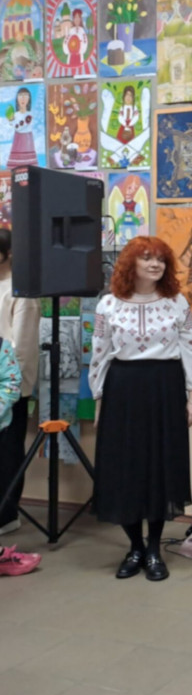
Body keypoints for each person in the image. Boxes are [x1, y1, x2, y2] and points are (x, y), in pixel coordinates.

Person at [89, 237, 192, 582]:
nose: (155, 265)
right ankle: (135, 547)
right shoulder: (107, 305)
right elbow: (99, 355)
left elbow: (191, 351)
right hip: (121, 390)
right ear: (131, 264)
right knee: (123, 467)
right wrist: (98, 402)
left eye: (160, 260)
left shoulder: (176, 303)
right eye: (147, 258)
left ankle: (154, 549)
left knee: (160, 467)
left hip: (164, 388)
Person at [0, 229, 39, 536]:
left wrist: (10, 391)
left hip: (8, 388)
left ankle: (6, 515)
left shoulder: (20, 292)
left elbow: (21, 348)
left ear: (9, 253)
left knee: (7, 453)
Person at [7, 87, 39, 168]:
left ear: (29, 99)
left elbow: (19, 126)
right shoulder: (15, 114)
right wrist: (11, 119)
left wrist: (11, 120)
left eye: (25, 96)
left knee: (28, 162)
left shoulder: (29, 115)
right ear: (17, 99)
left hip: (26, 139)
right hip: (17, 139)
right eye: (20, 96)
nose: (23, 99)